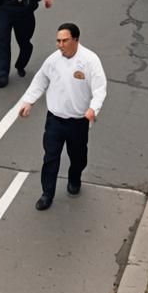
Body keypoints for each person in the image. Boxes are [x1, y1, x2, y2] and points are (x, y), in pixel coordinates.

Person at [18, 23, 107, 211]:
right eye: (58, 41)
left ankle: (75, 178)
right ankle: (47, 194)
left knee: (78, 157)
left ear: (75, 39)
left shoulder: (90, 60)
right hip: (55, 120)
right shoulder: (53, 60)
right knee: (50, 157)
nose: (60, 44)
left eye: (64, 40)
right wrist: (28, 102)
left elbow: (100, 89)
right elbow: (40, 80)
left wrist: (93, 109)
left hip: (78, 121)